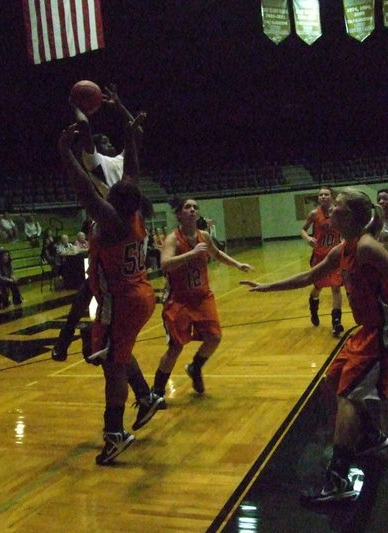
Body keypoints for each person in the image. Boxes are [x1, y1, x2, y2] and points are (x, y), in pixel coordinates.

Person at [241, 188, 388, 503]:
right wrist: (267, 287)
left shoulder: (366, 246)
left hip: (384, 329)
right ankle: (371, 436)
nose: (329, 210)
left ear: (349, 216)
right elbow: (311, 275)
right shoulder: (342, 248)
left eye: (336, 206)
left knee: (347, 396)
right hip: (367, 330)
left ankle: (338, 481)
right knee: (334, 380)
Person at [58, 95, 162, 465]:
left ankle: (114, 433)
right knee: (115, 353)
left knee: (112, 366)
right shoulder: (133, 211)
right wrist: (129, 135)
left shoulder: (113, 221)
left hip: (121, 300)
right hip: (140, 293)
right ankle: (146, 396)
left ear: (114, 202)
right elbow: (131, 170)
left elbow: (84, 189)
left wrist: (65, 152)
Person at [152, 197, 253, 399]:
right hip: (179, 299)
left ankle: (195, 367)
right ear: (179, 214)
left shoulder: (203, 236)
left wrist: (237, 264)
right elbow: (165, 264)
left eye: (195, 207)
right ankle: (156, 392)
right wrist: (191, 254)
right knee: (175, 347)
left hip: (202, 297)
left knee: (214, 338)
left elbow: (217, 253)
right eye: (187, 207)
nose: (192, 210)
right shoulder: (173, 239)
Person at [300, 186, 345, 337]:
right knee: (318, 286)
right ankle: (313, 306)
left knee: (336, 287)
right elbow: (302, 230)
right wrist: (308, 238)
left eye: (326, 194)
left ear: (332, 196)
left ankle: (336, 322)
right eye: (320, 195)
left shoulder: (338, 213)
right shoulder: (314, 214)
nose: (323, 197)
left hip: (335, 256)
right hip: (319, 257)